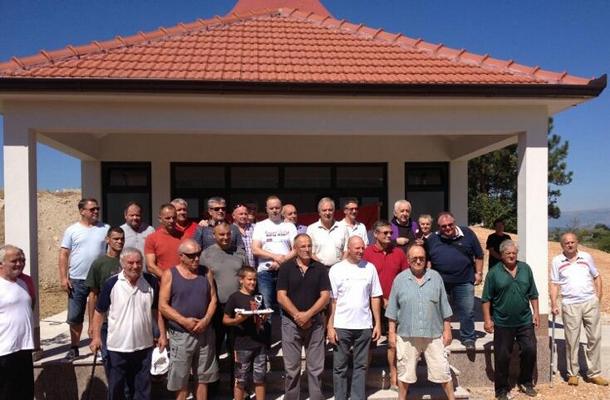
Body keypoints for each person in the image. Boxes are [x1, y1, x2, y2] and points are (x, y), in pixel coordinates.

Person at [89, 248, 167, 400]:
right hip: (118, 347)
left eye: (138, 262)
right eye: (130, 263)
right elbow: (99, 312)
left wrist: (162, 334)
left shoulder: (151, 282)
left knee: (142, 389)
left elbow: (156, 312)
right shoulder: (111, 284)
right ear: (122, 264)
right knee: (117, 388)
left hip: (144, 347)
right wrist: (96, 337)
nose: (135, 266)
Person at [386, 245, 454, 400]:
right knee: (405, 373)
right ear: (408, 260)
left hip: (433, 333)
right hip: (407, 334)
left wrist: (447, 329)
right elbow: (392, 309)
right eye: (414, 258)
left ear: (426, 259)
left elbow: (444, 306)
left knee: (443, 370)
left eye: (421, 258)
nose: (418, 261)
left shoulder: (435, 277)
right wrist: (391, 333)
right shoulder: (400, 280)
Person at [159, 239, 219, 400]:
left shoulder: (206, 272)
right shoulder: (170, 274)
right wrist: (184, 321)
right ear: (181, 256)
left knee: (203, 377)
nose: (196, 258)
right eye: (191, 256)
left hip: (205, 333)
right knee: (180, 379)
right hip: (181, 335)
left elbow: (213, 299)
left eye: (198, 254)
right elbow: (163, 306)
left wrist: (206, 320)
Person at [481, 240, 539, 400]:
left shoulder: (525, 269)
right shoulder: (494, 273)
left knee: (530, 349)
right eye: (508, 253)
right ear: (501, 255)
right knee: (502, 356)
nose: (512, 256)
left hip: (524, 320)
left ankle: (525, 382)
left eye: (514, 253)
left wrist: (536, 313)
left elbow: (533, 293)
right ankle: (501, 389)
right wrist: (487, 320)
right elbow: (486, 299)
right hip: (502, 322)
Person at [327, 236, 382, 400]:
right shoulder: (336, 269)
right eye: (357, 248)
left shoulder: (370, 268)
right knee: (340, 367)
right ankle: (340, 397)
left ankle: (357, 397)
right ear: (348, 249)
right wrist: (330, 326)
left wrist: (377, 323)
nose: (361, 251)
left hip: (364, 325)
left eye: (363, 248)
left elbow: (375, 297)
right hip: (341, 325)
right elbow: (332, 300)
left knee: (361, 366)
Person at [277, 234, 331, 400]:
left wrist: (308, 315)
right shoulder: (286, 268)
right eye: (303, 246)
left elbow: (325, 296)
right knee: (291, 368)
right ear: (295, 249)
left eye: (309, 245)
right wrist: (297, 316)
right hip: (290, 323)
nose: (307, 249)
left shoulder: (320, 268)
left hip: (315, 322)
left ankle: (316, 397)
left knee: (316, 368)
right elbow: (281, 296)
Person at [550, 232, 608, 386]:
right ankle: (572, 374)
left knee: (594, 338)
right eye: (567, 243)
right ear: (562, 245)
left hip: (590, 302)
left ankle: (594, 373)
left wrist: (598, 297)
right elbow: (554, 283)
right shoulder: (557, 261)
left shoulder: (586, 257)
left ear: (577, 243)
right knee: (572, 340)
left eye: (572, 242)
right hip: (570, 304)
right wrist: (554, 303)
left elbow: (596, 276)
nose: (570, 245)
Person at [58, 198, 109, 360]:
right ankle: (74, 347)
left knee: (99, 314)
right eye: (92, 209)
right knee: (75, 316)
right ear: (82, 211)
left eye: (97, 208)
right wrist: (63, 278)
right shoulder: (72, 230)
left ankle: (98, 344)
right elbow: (64, 254)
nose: (96, 211)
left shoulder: (105, 229)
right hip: (77, 279)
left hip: (99, 280)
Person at [425, 211, 483, 349]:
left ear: (454, 222)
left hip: (464, 280)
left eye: (450, 224)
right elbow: (427, 258)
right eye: (443, 226)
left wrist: (479, 273)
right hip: (440, 282)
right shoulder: (433, 239)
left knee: (467, 311)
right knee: (439, 310)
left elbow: (479, 255)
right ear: (439, 227)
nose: (447, 228)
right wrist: (428, 275)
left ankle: (468, 337)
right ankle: (440, 335)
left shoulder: (467, 233)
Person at [201, 221, 248, 385]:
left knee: (236, 347)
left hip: (237, 307)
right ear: (214, 235)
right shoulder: (206, 255)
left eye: (228, 234)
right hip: (217, 307)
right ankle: (213, 385)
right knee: (215, 346)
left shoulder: (239, 253)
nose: (226, 237)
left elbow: (247, 277)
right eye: (221, 234)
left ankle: (238, 386)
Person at [363, 220, 408, 389]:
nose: (389, 236)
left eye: (391, 233)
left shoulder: (398, 253)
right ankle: (363, 377)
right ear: (375, 234)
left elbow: (405, 278)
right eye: (385, 233)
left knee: (392, 342)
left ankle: (393, 377)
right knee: (368, 343)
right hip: (371, 304)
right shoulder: (366, 253)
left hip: (394, 305)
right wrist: (381, 299)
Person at [223, 266, 271, 400]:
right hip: (242, 344)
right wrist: (236, 320)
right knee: (240, 379)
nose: (253, 282)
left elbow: (259, 318)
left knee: (260, 377)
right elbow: (225, 320)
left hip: (259, 343)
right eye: (249, 279)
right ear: (241, 280)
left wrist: (264, 317)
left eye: (255, 279)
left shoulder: (258, 297)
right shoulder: (234, 297)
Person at [85, 226, 125, 377]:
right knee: (108, 359)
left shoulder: (128, 261)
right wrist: (91, 324)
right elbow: (93, 295)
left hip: (124, 320)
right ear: (107, 240)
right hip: (106, 321)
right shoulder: (99, 264)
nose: (119, 242)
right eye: (116, 239)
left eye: (122, 239)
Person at [251, 196, 297, 320]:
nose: (274, 210)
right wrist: (276, 257)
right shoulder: (260, 226)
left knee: (286, 307)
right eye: (271, 208)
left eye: (277, 208)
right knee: (266, 308)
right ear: (266, 209)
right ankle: (267, 333)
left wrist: (282, 261)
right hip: (265, 272)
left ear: (281, 208)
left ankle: (286, 333)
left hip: (286, 271)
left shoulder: (289, 226)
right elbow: (255, 249)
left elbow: (296, 249)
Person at [0, 245, 35, 399]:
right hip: (4, 351)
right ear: (1, 263)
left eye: (21, 260)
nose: (19, 264)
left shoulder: (24, 283)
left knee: (25, 393)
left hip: (24, 348)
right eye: (14, 261)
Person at [306, 197, 349, 267]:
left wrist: (340, 266)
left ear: (334, 211)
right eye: (324, 210)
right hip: (319, 268)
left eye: (330, 210)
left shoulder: (343, 228)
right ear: (319, 213)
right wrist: (321, 266)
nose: (327, 213)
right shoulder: (311, 229)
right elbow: (310, 252)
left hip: (339, 268)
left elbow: (347, 250)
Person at [144, 203, 182, 279]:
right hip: (163, 282)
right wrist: (168, 279)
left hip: (183, 282)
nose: (171, 220)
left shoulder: (185, 237)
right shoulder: (152, 238)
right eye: (168, 218)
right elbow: (150, 266)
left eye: (174, 217)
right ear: (160, 219)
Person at [120, 202, 155, 270]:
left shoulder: (150, 230)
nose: (135, 218)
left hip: (147, 273)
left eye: (137, 215)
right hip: (127, 273)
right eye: (132, 215)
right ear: (125, 215)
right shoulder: (120, 231)